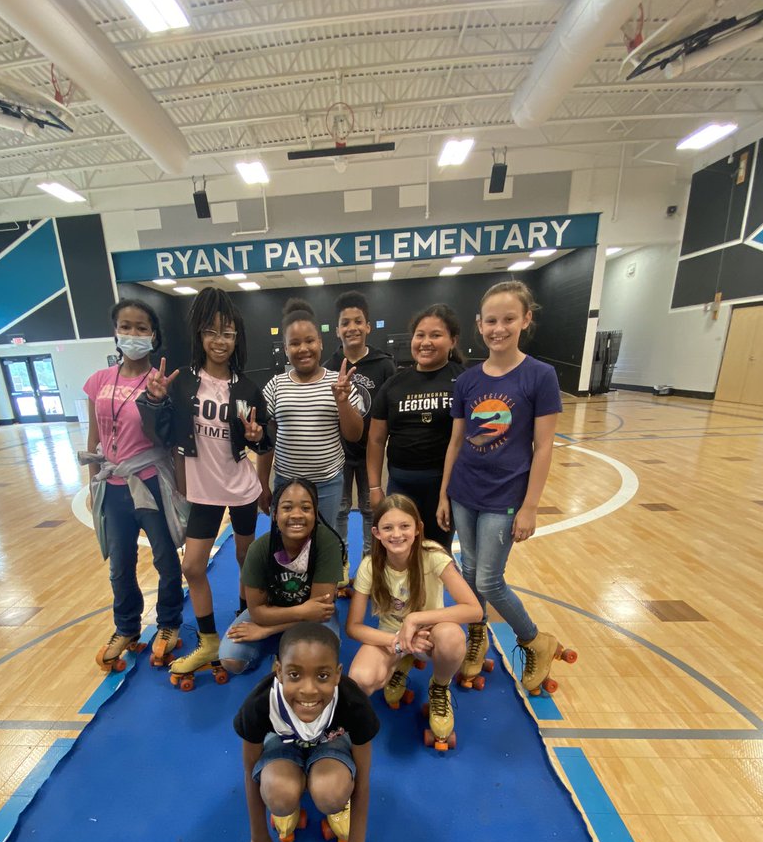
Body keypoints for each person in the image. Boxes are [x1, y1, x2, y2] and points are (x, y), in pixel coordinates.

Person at [436, 281, 573, 695]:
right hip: (464, 493)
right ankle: (477, 636)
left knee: (491, 581)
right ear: (479, 325)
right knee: (473, 575)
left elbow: (544, 445)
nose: (499, 328)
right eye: (491, 320)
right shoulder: (468, 381)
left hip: (505, 498)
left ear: (525, 320)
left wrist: (530, 506)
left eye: (509, 319)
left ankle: (535, 640)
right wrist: (444, 493)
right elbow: (456, 441)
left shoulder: (540, 375)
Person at [137, 287, 271, 681]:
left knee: (247, 561)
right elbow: (159, 435)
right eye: (212, 332)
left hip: (241, 487)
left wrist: (256, 436)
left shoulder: (247, 388)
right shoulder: (181, 384)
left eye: (227, 333)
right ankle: (210, 639)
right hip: (202, 492)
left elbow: (264, 440)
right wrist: (155, 402)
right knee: (192, 567)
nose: (219, 341)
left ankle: (244, 621)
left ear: (237, 338)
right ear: (199, 334)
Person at [235, 622, 378, 842]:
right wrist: (260, 837)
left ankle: (335, 802)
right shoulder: (260, 704)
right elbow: (250, 772)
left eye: (323, 675)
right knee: (278, 794)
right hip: (283, 744)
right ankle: (289, 799)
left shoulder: (353, 704)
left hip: (330, 743)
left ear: (338, 675)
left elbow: (363, 779)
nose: (309, 690)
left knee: (329, 794)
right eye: (294, 675)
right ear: (278, 671)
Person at [82, 299, 184, 672]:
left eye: (142, 328)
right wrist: (93, 487)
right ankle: (126, 627)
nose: (133, 334)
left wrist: (159, 400)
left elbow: (166, 439)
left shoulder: (159, 381)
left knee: (164, 558)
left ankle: (169, 621)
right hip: (112, 485)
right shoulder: (98, 381)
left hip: (150, 481)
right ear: (115, 331)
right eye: (126, 326)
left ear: (153, 336)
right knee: (120, 565)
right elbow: (93, 440)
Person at [346, 494, 482, 751]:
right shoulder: (369, 566)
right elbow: (353, 627)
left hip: (432, 634)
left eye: (404, 526)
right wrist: (397, 642)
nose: (396, 534)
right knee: (360, 678)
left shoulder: (433, 557)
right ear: (376, 533)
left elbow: (474, 610)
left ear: (418, 529)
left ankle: (440, 687)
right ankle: (401, 661)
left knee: (452, 637)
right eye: (388, 528)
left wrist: (415, 619)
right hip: (391, 636)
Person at [219, 477, 343, 676]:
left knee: (318, 658)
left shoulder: (327, 544)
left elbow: (320, 612)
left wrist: (266, 631)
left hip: (314, 620)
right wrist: (302, 611)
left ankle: (282, 645)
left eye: (305, 508)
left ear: (315, 514)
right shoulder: (259, 549)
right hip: (274, 611)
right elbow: (258, 612)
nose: (296, 515)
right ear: (275, 515)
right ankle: (280, 645)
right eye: (287, 508)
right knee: (232, 660)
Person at [260, 298, 364, 532]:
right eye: (294, 343)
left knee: (325, 542)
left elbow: (355, 435)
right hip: (286, 483)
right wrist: (262, 485)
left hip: (328, 484)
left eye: (309, 341)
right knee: (285, 546)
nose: (303, 349)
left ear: (320, 343)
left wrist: (343, 402)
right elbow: (265, 442)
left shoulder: (339, 382)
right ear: (285, 349)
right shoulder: (276, 385)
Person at [366, 304, 463, 549]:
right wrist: (375, 487)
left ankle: (433, 590)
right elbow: (376, 440)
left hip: (444, 486)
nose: (426, 342)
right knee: (400, 550)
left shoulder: (464, 381)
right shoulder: (395, 384)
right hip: (401, 485)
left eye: (435, 335)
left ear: (453, 340)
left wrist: (448, 493)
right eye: (420, 335)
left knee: (437, 552)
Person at [327, 291, 395, 585]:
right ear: (337, 328)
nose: (351, 327)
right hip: (338, 453)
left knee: (371, 511)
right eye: (345, 323)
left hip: (371, 454)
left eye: (358, 321)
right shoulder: (328, 365)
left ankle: (370, 566)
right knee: (339, 511)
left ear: (368, 326)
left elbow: (389, 411)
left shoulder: (384, 365)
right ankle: (340, 565)